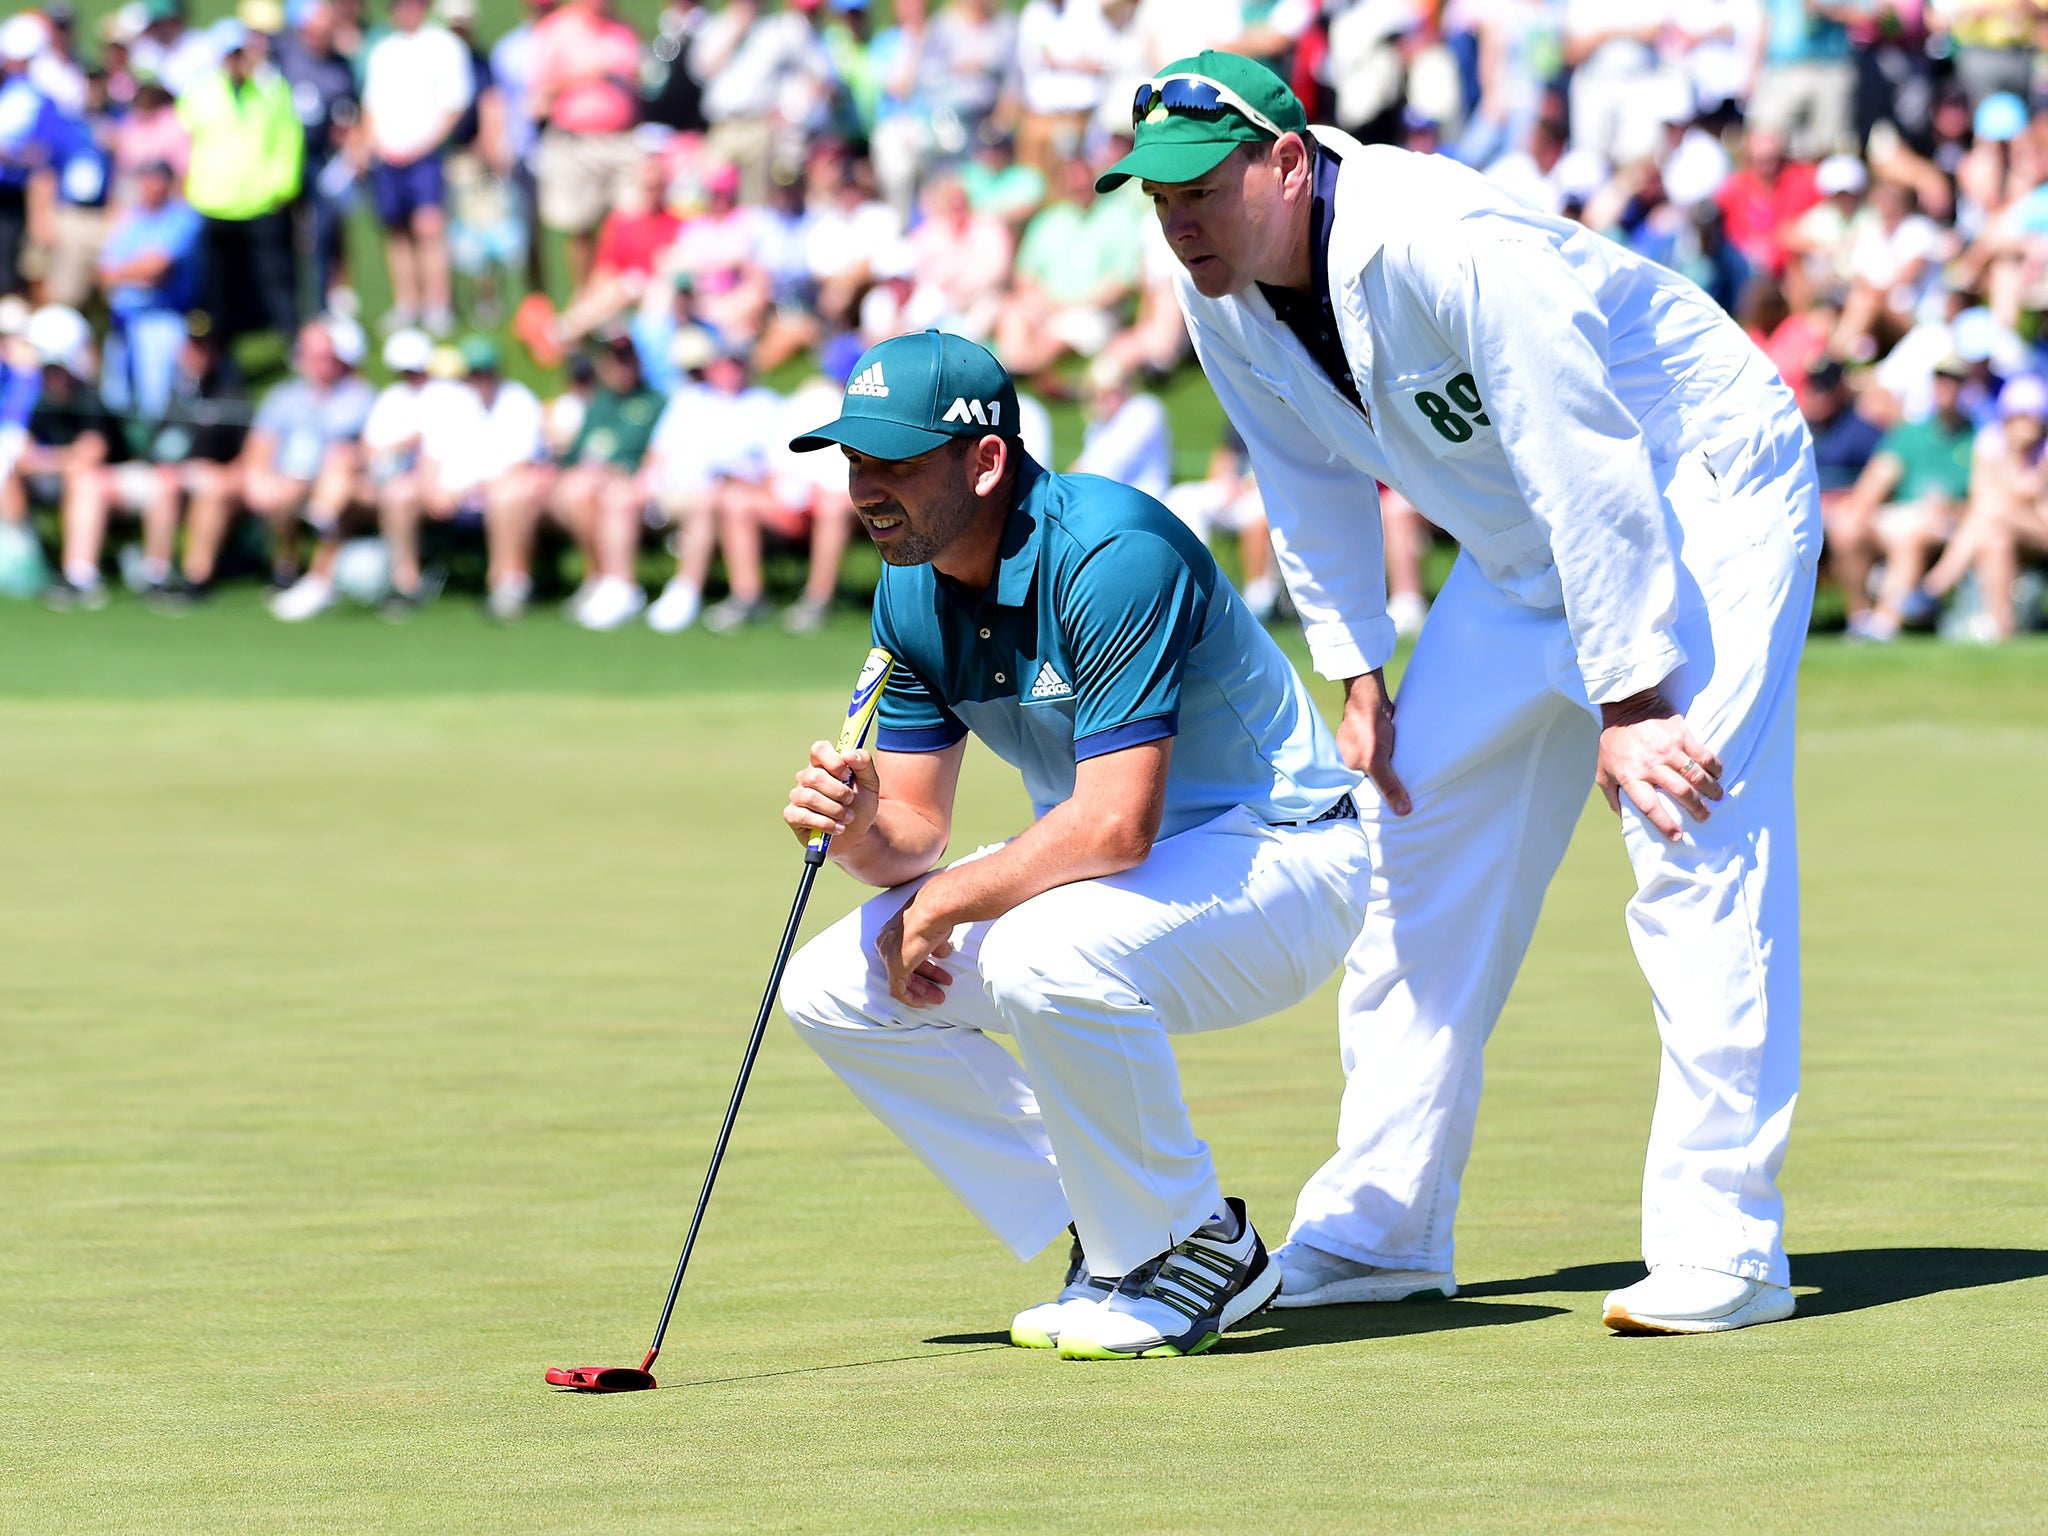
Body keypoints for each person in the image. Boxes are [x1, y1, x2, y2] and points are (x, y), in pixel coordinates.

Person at [1109, 52, 1821, 1334]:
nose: (1177, 221)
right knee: (1411, 836)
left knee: (1688, 832)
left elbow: (1585, 452)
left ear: (1285, 159)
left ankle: (1726, 1249)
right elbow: (1303, 476)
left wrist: (1629, 701)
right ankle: (1381, 1224)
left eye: (1198, 190)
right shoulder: (1214, 286)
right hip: (1516, 547)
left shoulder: (1449, 240)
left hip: (1692, 487)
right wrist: (1356, 669)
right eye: (1155, 198)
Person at [775, 329, 1371, 1359]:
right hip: (1115, 880)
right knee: (831, 986)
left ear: (986, 461)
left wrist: (938, 905)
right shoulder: (909, 585)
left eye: (895, 465)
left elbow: (1113, 824)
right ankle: (1116, 1244)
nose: (866, 489)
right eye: (856, 463)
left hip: (1285, 858)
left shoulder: (1111, 551)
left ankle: (1197, 1248)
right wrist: (859, 818)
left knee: (1042, 950)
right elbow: (914, 835)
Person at [201, 316, 371, 606]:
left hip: (332, 482)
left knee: (322, 483)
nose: (319, 362)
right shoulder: (285, 396)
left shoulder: (359, 396)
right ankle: (198, 578)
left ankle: (315, 575)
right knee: (219, 485)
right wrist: (258, 476)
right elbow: (260, 444)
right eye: (312, 354)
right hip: (284, 478)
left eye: (326, 355)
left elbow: (364, 451)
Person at [379, 333, 545, 615]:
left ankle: (507, 583)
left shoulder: (518, 400)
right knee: (398, 493)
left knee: (508, 495)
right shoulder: (449, 401)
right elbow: (429, 457)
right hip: (447, 491)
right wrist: (432, 491)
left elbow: (520, 467)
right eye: (472, 373)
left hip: (493, 490)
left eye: (485, 372)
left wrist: (464, 491)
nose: (479, 379)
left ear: (497, 371)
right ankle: (405, 583)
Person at [1825, 356, 1977, 641]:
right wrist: (1860, 508)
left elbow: (1983, 504)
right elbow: (1879, 478)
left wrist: (1952, 509)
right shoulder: (1910, 433)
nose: (1946, 387)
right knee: (1847, 528)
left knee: (1911, 539)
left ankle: (1885, 623)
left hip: (1946, 525)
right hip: (1902, 515)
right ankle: (1859, 620)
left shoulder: (1977, 437)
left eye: (1953, 381)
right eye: (1940, 380)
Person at [177, 18, 302, 348]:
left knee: (277, 283)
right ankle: (220, 354)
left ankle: (293, 346)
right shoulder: (200, 92)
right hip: (213, 203)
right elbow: (181, 142)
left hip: (260, 202)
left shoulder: (271, 90)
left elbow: (288, 139)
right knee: (216, 290)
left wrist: (280, 188)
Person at [360, 0, 473, 337]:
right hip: (388, 154)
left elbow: (454, 104)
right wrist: (373, 143)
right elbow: (371, 102)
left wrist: (422, 146)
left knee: (429, 228)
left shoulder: (444, 46)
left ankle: (438, 305)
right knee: (397, 230)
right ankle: (408, 302)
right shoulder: (383, 50)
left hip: (424, 155)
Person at [94, 158, 202, 423]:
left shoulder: (183, 218)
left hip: (163, 319)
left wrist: (128, 270)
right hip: (124, 321)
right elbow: (103, 272)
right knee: (117, 398)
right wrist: (137, 269)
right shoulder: (132, 219)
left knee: (159, 401)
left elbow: (156, 269)